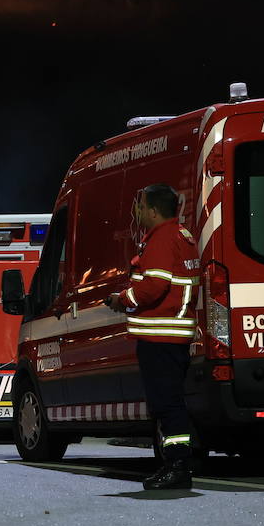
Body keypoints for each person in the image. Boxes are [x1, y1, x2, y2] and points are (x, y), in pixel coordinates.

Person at [106, 183, 199, 490]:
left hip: (160, 337)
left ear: (154, 211)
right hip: (174, 335)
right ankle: (175, 464)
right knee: (171, 403)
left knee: (166, 405)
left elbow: (153, 287)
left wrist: (123, 298)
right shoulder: (182, 236)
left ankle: (177, 466)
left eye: (141, 207)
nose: (138, 212)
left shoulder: (161, 239)